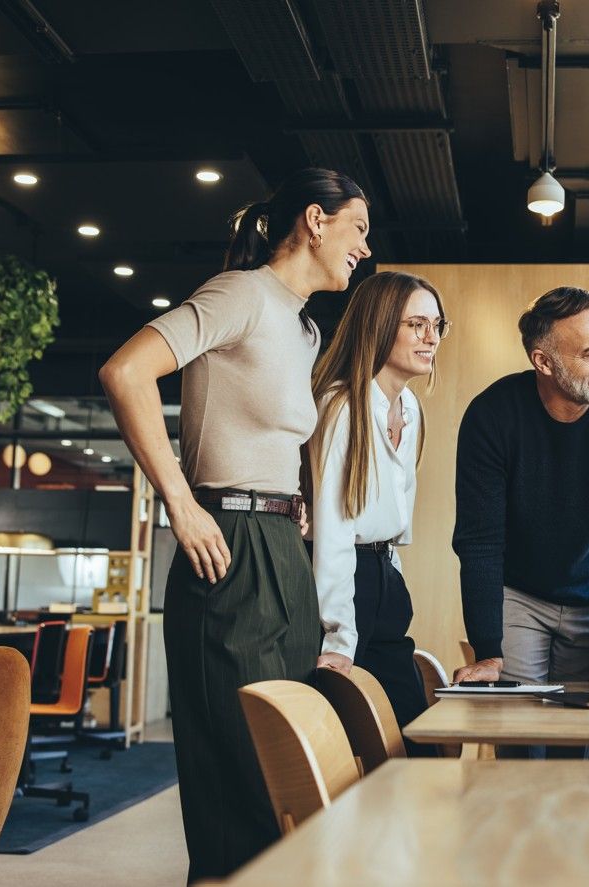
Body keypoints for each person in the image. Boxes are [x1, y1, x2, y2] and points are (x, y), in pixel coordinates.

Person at [98, 168, 371, 880]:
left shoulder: (305, 328)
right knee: (241, 787)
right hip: (228, 546)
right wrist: (181, 503)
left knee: (288, 781)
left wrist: (290, 499)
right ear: (315, 220)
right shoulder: (240, 293)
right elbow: (126, 372)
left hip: (281, 548)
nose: (365, 248)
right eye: (358, 228)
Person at [451, 286, 589, 702]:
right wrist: (488, 650)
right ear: (543, 362)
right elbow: (480, 541)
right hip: (519, 595)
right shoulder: (491, 416)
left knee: (584, 724)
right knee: (519, 724)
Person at [307, 271, 447, 753]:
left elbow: (395, 519)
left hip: (385, 575)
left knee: (413, 739)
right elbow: (333, 530)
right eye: (417, 324)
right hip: (345, 584)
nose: (431, 337)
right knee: (347, 743)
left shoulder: (409, 408)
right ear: (380, 326)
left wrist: (394, 578)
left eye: (437, 325)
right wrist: (339, 637)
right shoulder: (341, 406)